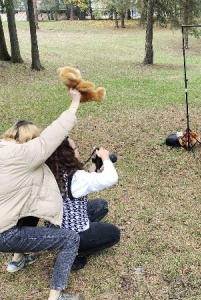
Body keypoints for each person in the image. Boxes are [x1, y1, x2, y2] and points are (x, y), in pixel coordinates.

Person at [0, 88, 85, 300]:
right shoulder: (25, 154)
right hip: (5, 235)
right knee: (70, 239)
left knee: (32, 208)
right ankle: (56, 296)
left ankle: (17, 260)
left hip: (5, 223)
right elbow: (55, 132)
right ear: (30, 141)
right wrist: (74, 103)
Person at [45, 137, 120, 271]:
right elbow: (112, 178)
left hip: (54, 228)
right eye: (75, 148)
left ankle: (72, 242)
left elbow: (83, 180)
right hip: (72, 235)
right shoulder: (76, 177)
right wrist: (105, 157)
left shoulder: (49, 171)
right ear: (67, 153)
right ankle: (74, 252)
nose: (77, 150)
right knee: (114, 233)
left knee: (101, 205)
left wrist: (96, 166)